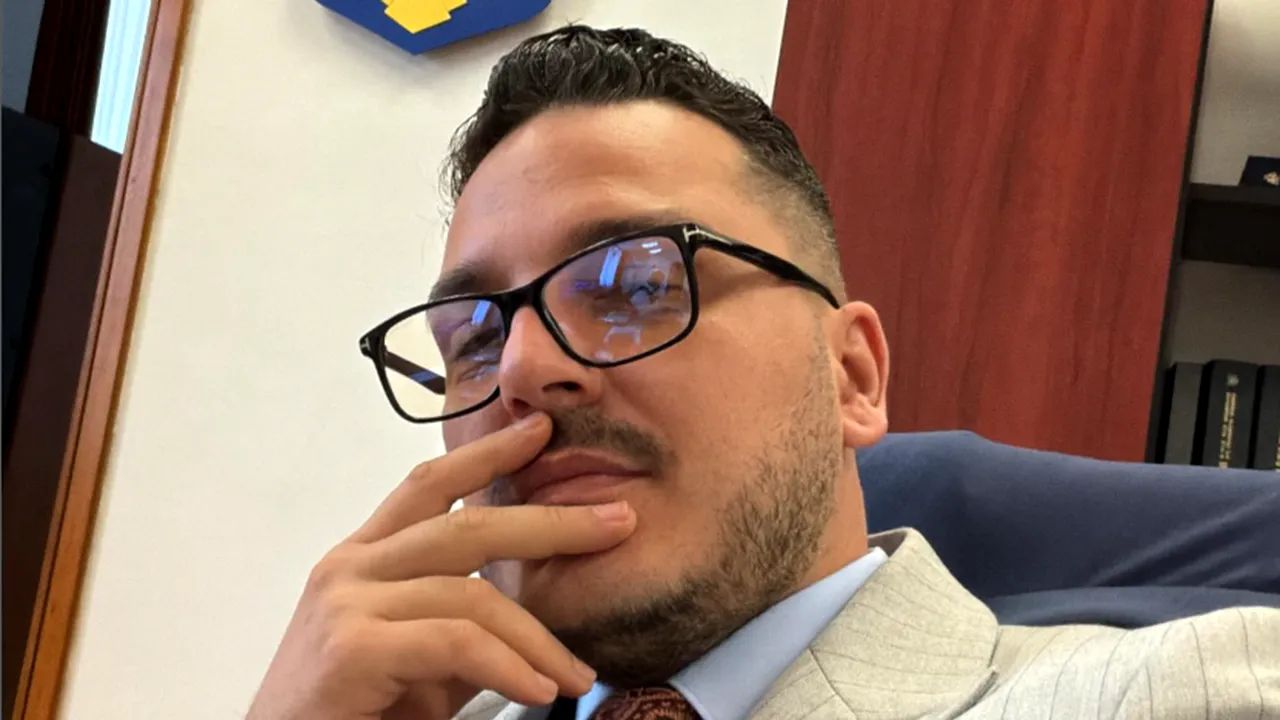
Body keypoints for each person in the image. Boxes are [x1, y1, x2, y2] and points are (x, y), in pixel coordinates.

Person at [247, 25, 1280, 720]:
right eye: (473, 337)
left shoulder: (1190, 692)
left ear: (851, 379)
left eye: (634, 282)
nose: (522, 367)